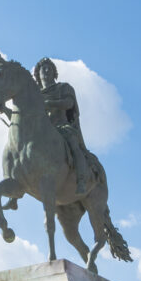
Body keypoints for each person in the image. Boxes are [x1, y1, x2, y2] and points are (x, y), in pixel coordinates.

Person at [33, 57, 90, 196]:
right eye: (43, 68)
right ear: (38, 74)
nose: (46, 70)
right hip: (42, 131)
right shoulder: (35, 94)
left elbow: (69, 103)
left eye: (49, 68)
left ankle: (81, 180)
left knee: (73, 144)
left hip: (62, 126)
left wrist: (50, 103)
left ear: (54, 72)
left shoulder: (64, 88)